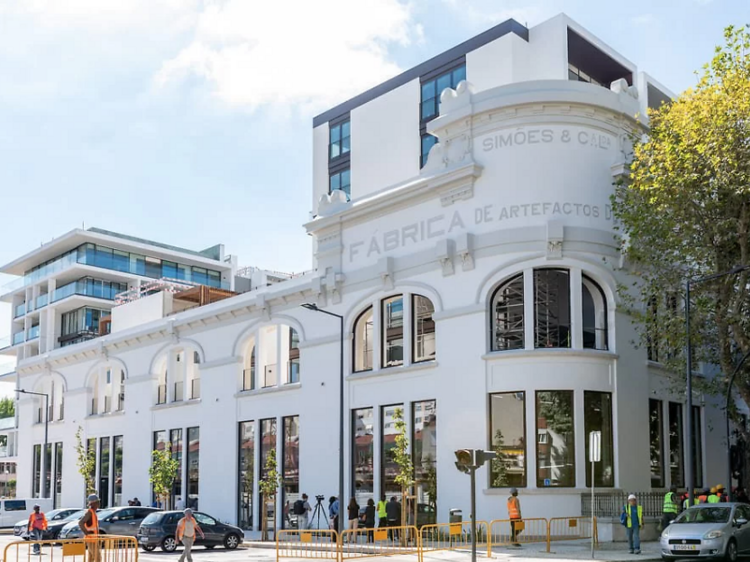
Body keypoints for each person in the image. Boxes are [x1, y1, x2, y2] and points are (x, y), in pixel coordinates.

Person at [79, 494, 101, 562]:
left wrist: (98, 538)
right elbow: (81, 523)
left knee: (90, 559)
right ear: (93, 503)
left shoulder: (93, 513)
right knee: (98, 558)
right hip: (91, 540)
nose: (98, 504)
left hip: (94, 540)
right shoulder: (89, 513)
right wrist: (87, 533)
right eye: (97, 502)